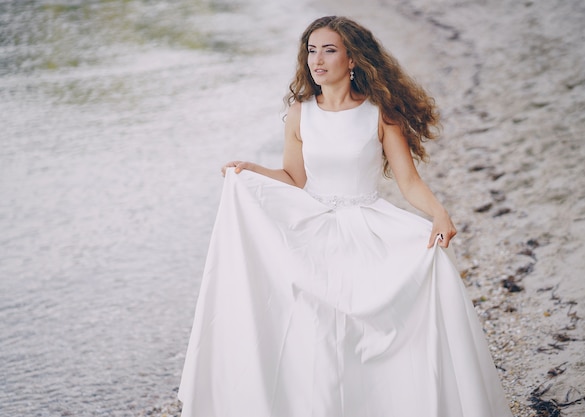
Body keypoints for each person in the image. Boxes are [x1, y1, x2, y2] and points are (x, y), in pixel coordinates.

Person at [178, 15, 513, 417]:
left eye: (329, 50)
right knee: (316, 331)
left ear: (352, 59)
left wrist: (439, 214)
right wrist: (251, 171)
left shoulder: (379, 113)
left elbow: (408, 182)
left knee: (378, 320)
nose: (317, 60)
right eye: (312, 50)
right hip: (313, 229)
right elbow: (293, 177)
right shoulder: (301, 114)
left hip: (367, 227)